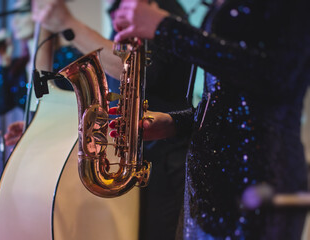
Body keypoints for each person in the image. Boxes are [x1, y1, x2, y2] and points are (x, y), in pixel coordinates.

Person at [112, 0, 310, 239]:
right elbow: (228, 99)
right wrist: (177, 123)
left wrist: (166, 28)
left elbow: (278, 77)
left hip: (257, 184)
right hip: (207, 190)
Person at [3, 1, 192, 239]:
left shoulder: (161, 7)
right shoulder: (122, 11)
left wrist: (67, 23)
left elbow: (141, 71)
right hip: (135, 162)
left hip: (161, 167)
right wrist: (48, 127)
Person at [0, 0, 81, 115]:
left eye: (23, 12)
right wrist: (3, 63)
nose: (15, 21)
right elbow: (0, 107)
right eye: (14, 14)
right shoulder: (18, 67)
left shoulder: (66, 57)